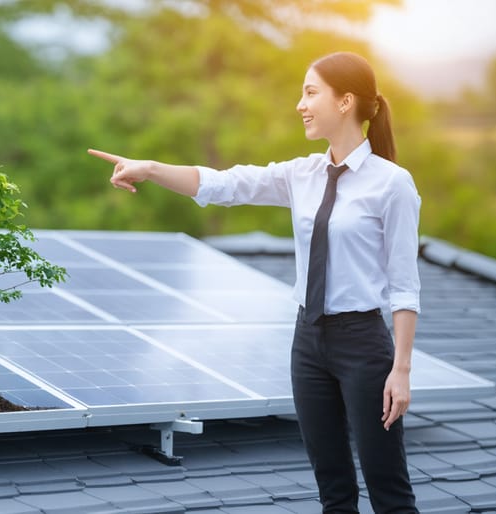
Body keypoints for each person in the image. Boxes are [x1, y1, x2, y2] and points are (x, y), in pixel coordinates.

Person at [88, 51, 420, 513]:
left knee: (390, 491)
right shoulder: (301, 174)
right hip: (308, 343)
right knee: (333, 490)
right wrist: (149, 168)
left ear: (345, 102)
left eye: (310, 92)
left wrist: (400, 370)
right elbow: (224, 185)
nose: (300, 104)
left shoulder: (392, 184)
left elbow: (405, 286)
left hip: (364, 348)